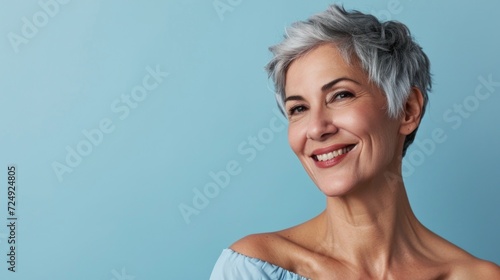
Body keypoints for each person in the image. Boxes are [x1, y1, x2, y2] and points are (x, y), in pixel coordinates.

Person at [209, 4, 500, 279]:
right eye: (298, 108)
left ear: (408, 109)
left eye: (340, 95)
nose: (316, 128)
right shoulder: (254, 269)